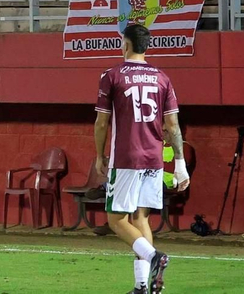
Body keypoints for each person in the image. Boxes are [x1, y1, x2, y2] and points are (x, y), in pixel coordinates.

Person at [94, 23, 186, 294]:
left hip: (126, 157)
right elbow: (173, 126)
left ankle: (154, 257)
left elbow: (101, 123)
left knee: (116, 220)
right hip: (154, 158)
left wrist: (99, 155)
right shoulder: (162, 77)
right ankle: (142, 286)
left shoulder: (112, 75)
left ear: (125, 44)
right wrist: (179, 164)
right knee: (141, 218)